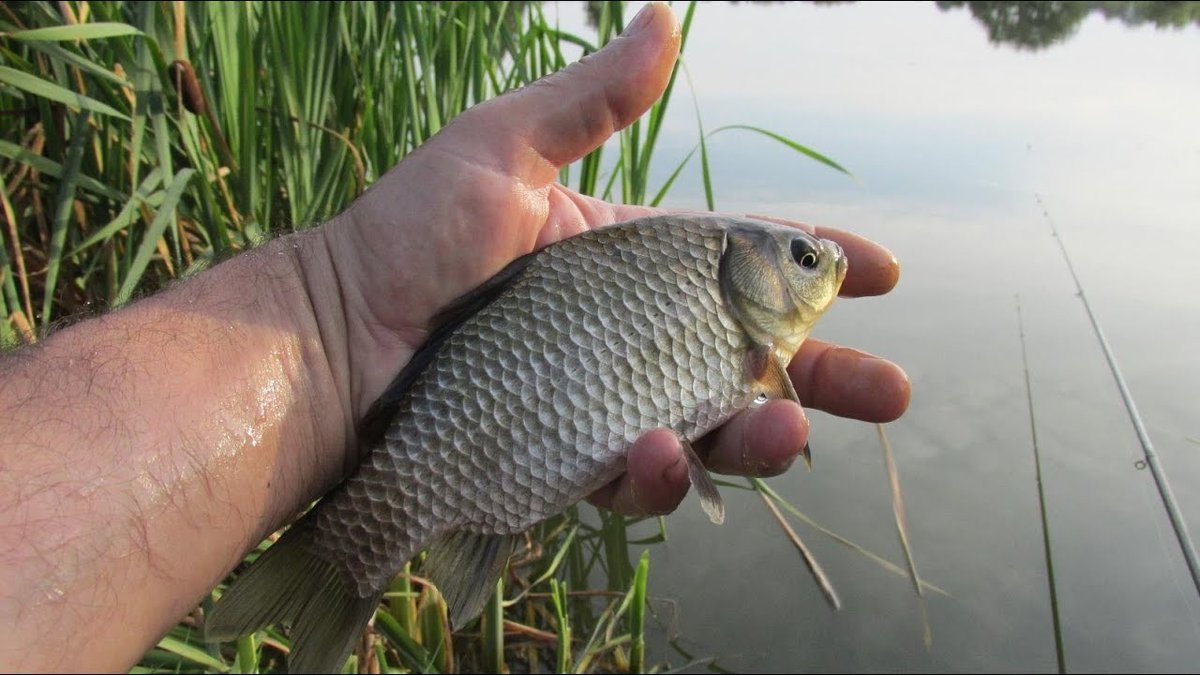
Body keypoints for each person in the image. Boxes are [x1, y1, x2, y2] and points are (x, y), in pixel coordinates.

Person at [0, 3, 909, 671]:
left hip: (482, 421)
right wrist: (335, 313)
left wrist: (328, 314)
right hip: (463, 410)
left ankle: (349, 565)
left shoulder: (735, 327)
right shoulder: (710, 293)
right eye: (798, 255)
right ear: (740, 266)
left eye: (804, 256)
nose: (814, 264)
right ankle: (334, 565)